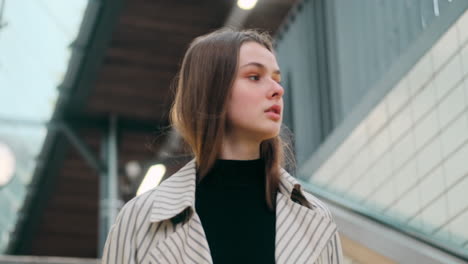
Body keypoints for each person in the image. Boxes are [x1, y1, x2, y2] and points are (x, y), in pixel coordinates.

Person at [102, 28, 343, 264]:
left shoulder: (315, 219)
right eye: (254, 77)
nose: (277, 90)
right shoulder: (140, 218)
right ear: (212, 90)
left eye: (277, 79)